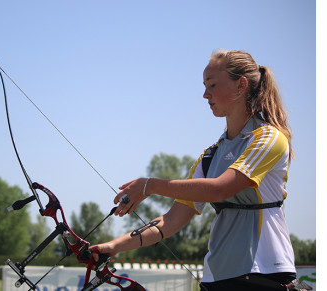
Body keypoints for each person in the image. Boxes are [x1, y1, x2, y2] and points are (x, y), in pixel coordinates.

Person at [90, 49, 298, 291]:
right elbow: (170, 220)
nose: (205, 94)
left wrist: (149, 185)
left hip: (265, 272)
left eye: (212, 85)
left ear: (241, 86)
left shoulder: (269, 137)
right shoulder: (211, 155)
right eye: (204, 85)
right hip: (216, 276)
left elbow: (220, 189)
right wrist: (113, 247)